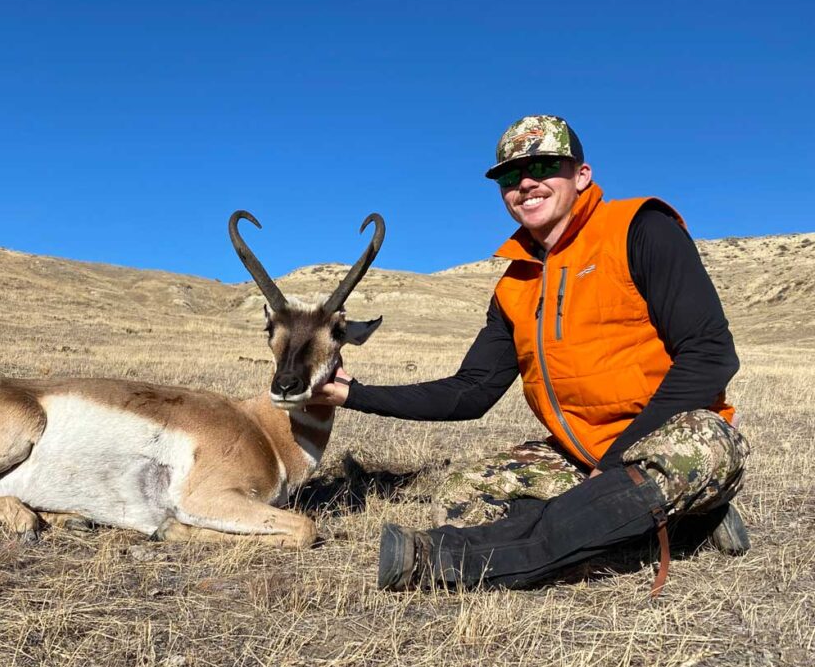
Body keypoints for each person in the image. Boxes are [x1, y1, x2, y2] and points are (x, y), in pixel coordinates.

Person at [310, 115, 750, 594]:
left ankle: (443, 559)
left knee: (684, 455)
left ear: (581, 176)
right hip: (581, 454)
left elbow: (710, 354)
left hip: (677, 436)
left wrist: (622, 457)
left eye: (543, 165)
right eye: (508, 176)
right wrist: (353, 394)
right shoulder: (514, 287)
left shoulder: (640, 230)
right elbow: (470, 393)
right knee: (465, 495)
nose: (524, 183)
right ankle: (683, 525)